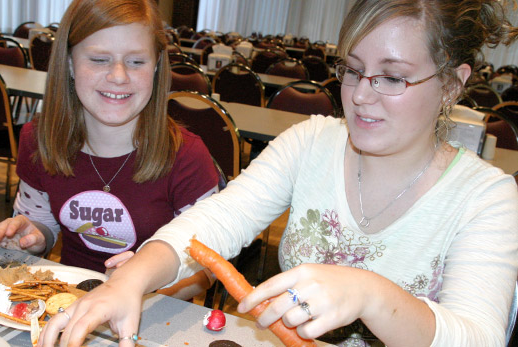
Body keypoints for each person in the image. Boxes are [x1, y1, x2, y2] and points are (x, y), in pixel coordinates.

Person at [39, 1, 518, 346]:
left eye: (392, 77)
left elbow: (477, 336)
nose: (360, 96)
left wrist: (370, 294)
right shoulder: (311, 142)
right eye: (352, 70)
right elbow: (217, 220)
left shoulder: (487, 197)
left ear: (453, 84)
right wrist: (131, 280)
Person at [0, 0, 219, 299]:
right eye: (98, 59)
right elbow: (43, 223)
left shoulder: (188, 156)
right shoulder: (39, 138)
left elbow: (204, 272)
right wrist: (32, 236)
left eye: (136, 61)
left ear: (156, 66)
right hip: (66, 300)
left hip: (152, 312)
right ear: (69, 63)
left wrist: (142, 285)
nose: (119, 76)